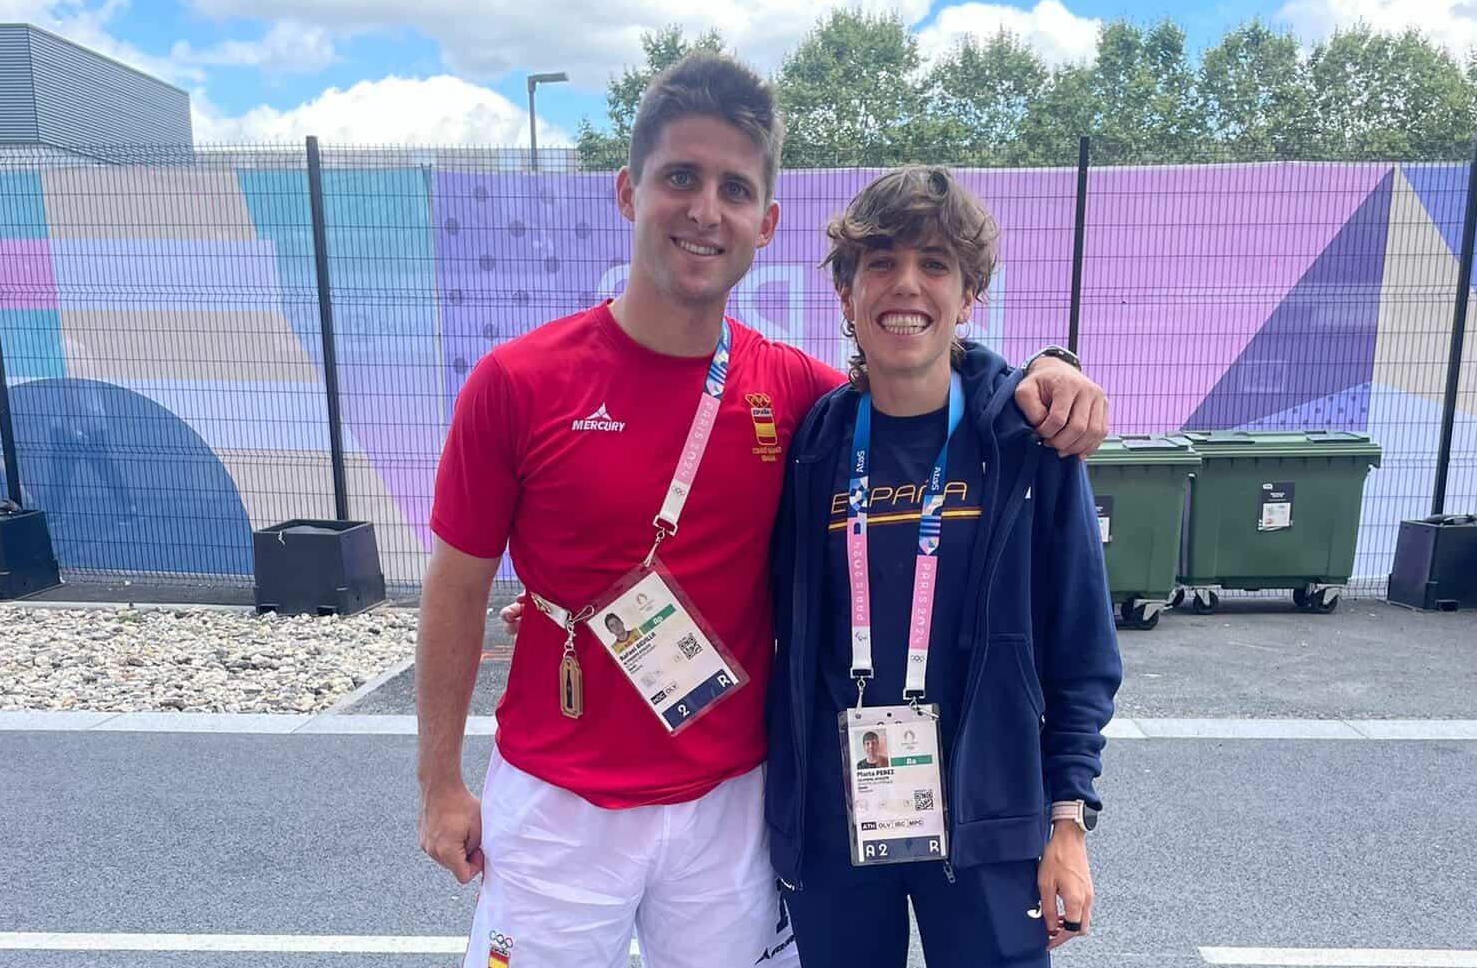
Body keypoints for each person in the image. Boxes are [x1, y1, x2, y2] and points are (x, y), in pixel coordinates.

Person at [417, 52, 1111, 968]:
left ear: (764, 221)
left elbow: (920, 377)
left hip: (728, 809)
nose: (705, 210)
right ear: (628, 192)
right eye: (680, 178)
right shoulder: (517, 381)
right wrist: (437, 785)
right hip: (557, 804)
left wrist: (1041, 370)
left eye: (733, 188)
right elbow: (456, 590)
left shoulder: (796, 396)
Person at [764, 167, 1122, 968]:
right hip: (836, 818)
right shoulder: (815, 444)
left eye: (933, 264)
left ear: (967, 297)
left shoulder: (1028, 441)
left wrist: (1067, 817)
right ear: (847, 295)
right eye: (881, 262)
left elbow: (1081, 648)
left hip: (989, 819)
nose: (906, 285)